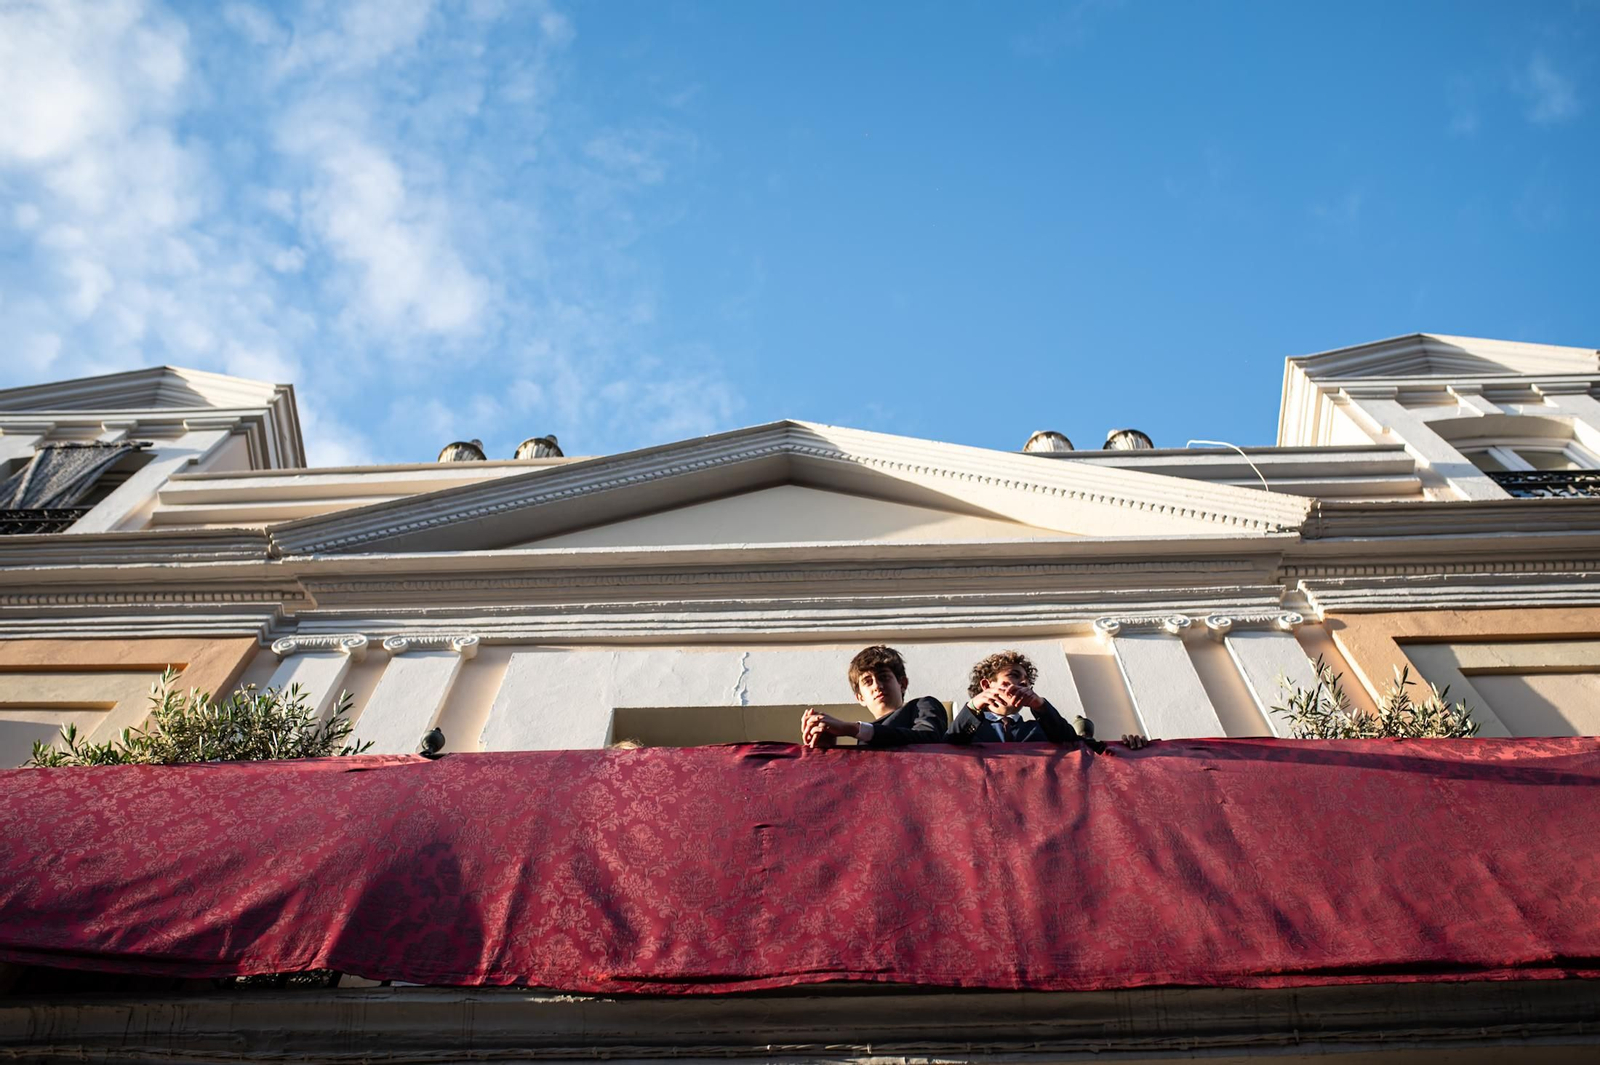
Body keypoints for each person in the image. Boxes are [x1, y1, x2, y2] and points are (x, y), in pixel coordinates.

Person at [949, 650, 1149, 748]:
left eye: (1027, 680)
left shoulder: (1039, 729)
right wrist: (974, 705)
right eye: (1014, 676)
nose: (1024, 683)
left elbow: (1074, 744)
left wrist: (1132, 748)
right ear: (986, 685)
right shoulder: (971, 728)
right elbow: (949, 744)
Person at [801, 644, 948, 748]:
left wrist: (852, 729)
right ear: (860, 698)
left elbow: (929, 738)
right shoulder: (864, 740)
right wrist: (826, 748)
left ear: (902, 684)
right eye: (868, 681)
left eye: (883, 677)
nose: (877, 686)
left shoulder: (921, 705)